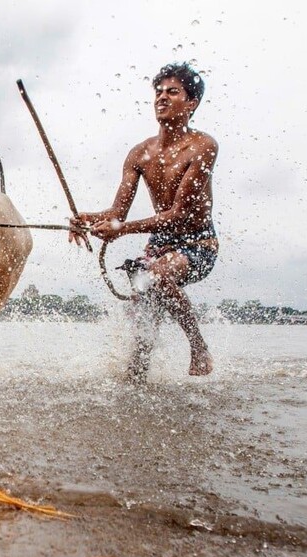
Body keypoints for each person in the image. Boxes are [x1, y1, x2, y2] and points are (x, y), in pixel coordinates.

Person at [70, 62, 218, 380]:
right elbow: (116, 214)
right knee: (142, 319)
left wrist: (120, 230)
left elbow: (179, 215)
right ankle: (136, 382)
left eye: (172, 92)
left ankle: (198, 347)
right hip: (158, 245)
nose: (161, 97)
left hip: (197, 243)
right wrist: (85, 219)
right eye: (158, 91)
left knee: (156, 276)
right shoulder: (139, 153)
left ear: (191, 103)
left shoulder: (203, 147)